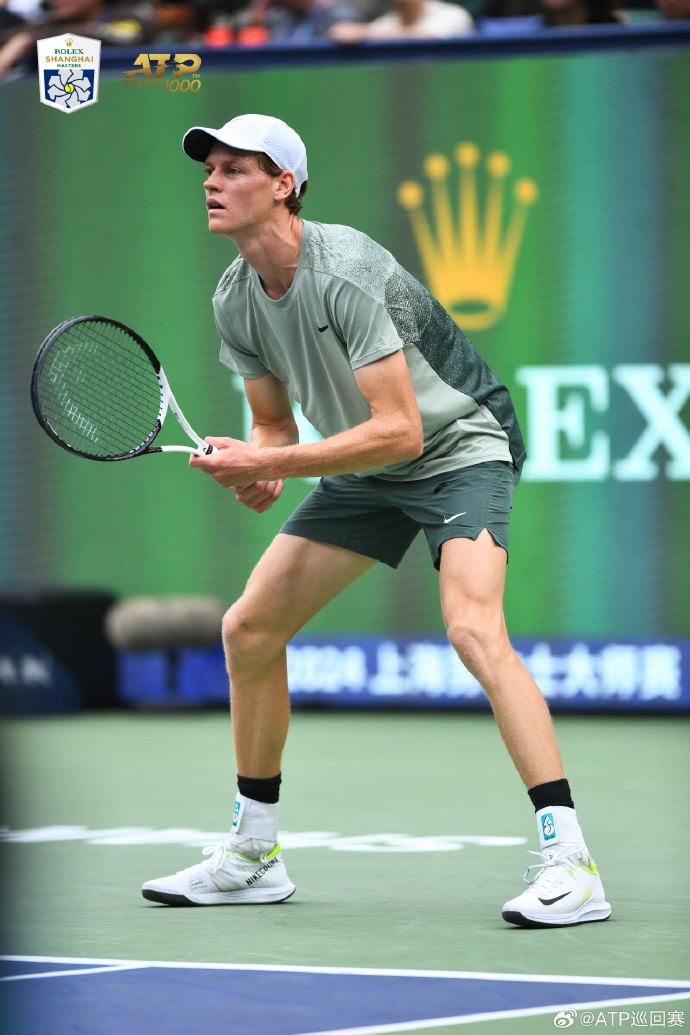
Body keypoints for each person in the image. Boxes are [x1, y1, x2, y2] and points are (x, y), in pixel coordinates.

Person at [142, 113, 612, 929]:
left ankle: (571, 862)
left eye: (234, 168)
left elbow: (403, 431)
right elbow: (274, 429)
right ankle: (253, 854)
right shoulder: (234, 298)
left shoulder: (347, 269)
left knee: (473, 629)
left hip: (459, 445)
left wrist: (276, 462)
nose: (211, 182)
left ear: (284, 185)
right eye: (208, 169)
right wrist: (258, 465)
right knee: (249, 629)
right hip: (368, 467)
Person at [329, 0, 473, 41]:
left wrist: (364, 33)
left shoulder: (453, 14)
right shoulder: (387, 22)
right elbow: (346, 32)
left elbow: (426, 38)